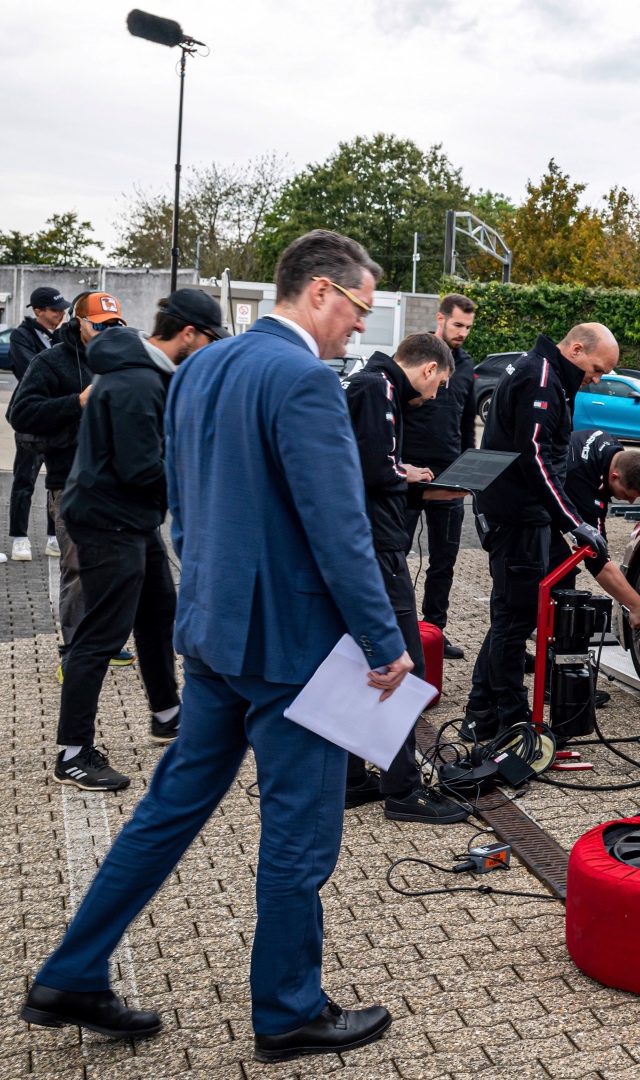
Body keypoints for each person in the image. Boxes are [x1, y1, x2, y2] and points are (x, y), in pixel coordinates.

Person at [19, 230, 408, 1060]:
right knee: (298, 834)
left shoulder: (201, 366)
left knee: (169, 809)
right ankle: (289, 1010)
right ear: (321, 293)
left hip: (216, 634)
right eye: (360, 310)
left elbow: (186, 499)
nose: (359, 331)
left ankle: (74, 970)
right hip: (292, 651)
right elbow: (339, 531)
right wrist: (383, 640)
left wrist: (205, 590)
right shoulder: (304, 380)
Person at [48, 294, 225, 791]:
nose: (209, 350)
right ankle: (73, 753)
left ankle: (167, 715)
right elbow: (140, 467)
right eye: (208, 339)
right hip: (108, 520)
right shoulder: (136, 382)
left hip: (131, 519)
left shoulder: (147, 374)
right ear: (188, 333)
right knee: (100, 636)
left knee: (157, 613)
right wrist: (199, 477)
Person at [464, 324, 619, 742]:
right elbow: (534, 457)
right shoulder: (542, 377)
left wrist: (563, 522)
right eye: (597, 368)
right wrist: (575, 522)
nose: (597, 378)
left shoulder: (540, 370)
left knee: (514, 616)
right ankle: (510, 721)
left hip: (526, 514)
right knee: (513, 622)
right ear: (576, 348)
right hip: (517, 517)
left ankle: (482, 712)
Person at [341, 333, 468, 825]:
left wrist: (403, 474)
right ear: (430, 369)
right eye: (440, 386)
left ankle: (352, 777)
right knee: (402, 663)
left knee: (361, 662)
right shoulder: (379, 389)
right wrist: (408, 475)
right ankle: (404, 791)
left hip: (364, 543)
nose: (435, 398)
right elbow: (375, 468)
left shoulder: (366, 383)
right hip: (378, 547)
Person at [12, 292, 127, 657]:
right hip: (71, 483)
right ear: (78, 323)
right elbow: (20, 413)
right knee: (78, 568)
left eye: (115, 325)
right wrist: (77, 401)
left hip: (116, 484)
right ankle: (77, 649)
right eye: (100, 324)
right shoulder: (50, 361)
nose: (108, 330)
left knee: (114, 567)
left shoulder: (122, 361)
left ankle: (106, 641)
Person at [398, 294, 480, 658]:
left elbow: (466, 422)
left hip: (449, 474)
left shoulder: (466, 366)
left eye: (468, 327)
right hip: (409, 474)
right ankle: (399, 632)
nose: (462, 332)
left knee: (443, 558)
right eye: (458, 324)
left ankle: (434, 631)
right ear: (441, 319)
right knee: (395, 555)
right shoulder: (416, 358)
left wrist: (468, 468)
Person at [560, 427, 640, 625]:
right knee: (556, 574)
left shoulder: (611, 449)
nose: (630, 502)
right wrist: (637, 606)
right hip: (515, 510)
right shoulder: (583, 481)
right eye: (628, 495)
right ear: (614, 476)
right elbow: (597, 560)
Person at [9, 285, 68, 562]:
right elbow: (29, 370)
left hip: (57, 419)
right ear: (38, 311)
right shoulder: (21, 336)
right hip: (32, 419)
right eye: (56, 310)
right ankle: (19, 538)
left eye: (63, 309)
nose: (61, 314)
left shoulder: (62, 337)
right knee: (24, 479)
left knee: (56, 480)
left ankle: (54, 536)